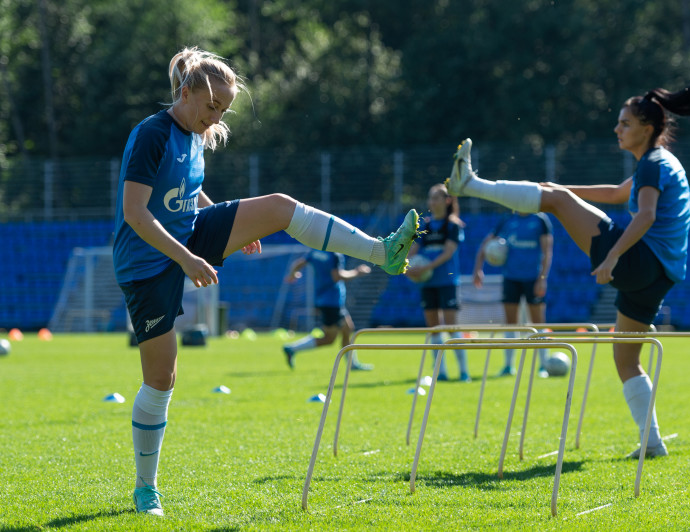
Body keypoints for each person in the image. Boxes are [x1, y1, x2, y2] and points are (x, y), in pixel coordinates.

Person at [112, 47, 418, 516]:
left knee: (277, 207)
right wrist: (190, 258)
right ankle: (144, 488)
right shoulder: (152, 134)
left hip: (189, 234)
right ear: (186, 92)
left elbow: (187, 191)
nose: (216, 117)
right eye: (211, 106)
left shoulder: (196, 134)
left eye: (224, 110)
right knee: (161, 377)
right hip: (147, 262)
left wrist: (229, 224)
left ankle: (382, 252)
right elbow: (135, 214)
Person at [444, 55, 690, 458]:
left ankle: (471, 184)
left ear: (648, 128)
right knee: (625, 359)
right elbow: (619, 194)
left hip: (639, 261)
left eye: (624, 123)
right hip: (661, 275)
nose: (616, 128)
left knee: (553, 200)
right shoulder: (660, 162)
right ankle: (652, 444)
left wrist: (611, 258)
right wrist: (564, 189)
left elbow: (646, 215)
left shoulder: (653, 165)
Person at [473, 211, 553, 377]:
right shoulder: (507, 219)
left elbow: (547, 251)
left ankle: (543, 365)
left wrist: (542, 278)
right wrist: (478, 268)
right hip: (511, 278)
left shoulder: (540, 220)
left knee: (538, 323)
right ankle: (509, 366)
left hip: (533, 278)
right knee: (510, 323)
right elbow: (486, 243)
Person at [405, 183, 470, 382]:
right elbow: (412, 252)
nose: (432, 202)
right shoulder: (424, 226)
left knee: (451, 327)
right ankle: (440, 372)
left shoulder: (453, 225)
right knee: (433, 328)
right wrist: (406, 268)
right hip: (427, 283)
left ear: (447, 201)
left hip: (447, 281)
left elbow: (448, 252)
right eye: (430, 198)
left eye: (436, 198)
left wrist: (425, 268)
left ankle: (463, 371)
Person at [281, 250, 373, 370]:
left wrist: (293, 273)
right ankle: (292, 348)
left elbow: (299, 263)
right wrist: (357, 272)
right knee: (329, 338)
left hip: (323, 299)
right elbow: (337, 276)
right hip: (332, 301)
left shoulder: (315, 250)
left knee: (347, 329)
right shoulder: (334, 254)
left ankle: (352, 364)